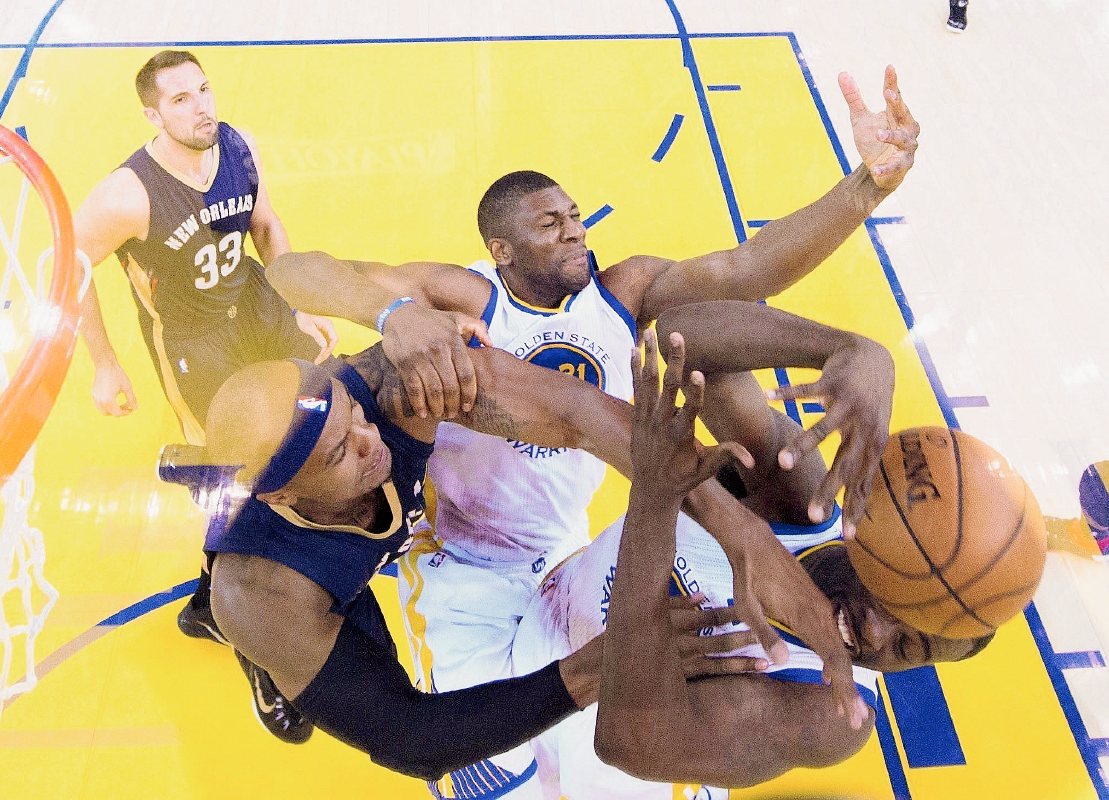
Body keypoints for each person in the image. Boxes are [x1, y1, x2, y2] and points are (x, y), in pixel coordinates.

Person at [265, 66, 919, 795]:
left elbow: (748, 264)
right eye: (550, 222)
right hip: (461, 562)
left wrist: (867, 186)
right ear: (502, 249)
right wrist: (389, 315)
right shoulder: (464, 293)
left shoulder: (624, 293)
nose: (575, 228)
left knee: (601, 732)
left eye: (576, 214)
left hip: (558, 546)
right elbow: (293, 270)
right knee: (484, 766)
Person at [189, 334, 795, 778]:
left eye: (355, 420)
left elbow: (578, 415)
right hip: (303, 584)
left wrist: (723, 514)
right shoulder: (267, 592)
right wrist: (599, 667)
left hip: (334, 541)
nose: (372, 445)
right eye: (341, 454)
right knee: (312, 652)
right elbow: (410, 738)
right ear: (286, 493)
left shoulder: (390, 389)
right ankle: (255, 656)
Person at [509, 322, 997, 799]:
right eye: (900, 610)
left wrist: (659, 496)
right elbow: (687, 337)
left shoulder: (831, 714)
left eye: (907, 651)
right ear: (885, 547)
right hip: (532, 622)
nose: (876, 636)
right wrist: (848, 349)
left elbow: (628, 740)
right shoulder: (802, 496)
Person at [71, 49, 338, 740]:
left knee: (321, 417)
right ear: (152, 114)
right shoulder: (128, 193)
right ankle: (241, 632)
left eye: (204, 90)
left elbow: (267, 227)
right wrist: (104, 364)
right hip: (194, 344)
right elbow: (65, 266)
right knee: (238, 483)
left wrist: (295, 300)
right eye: (182, 100)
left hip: (255, 304)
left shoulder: (236, 146)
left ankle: (210, 596)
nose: (201, 107)